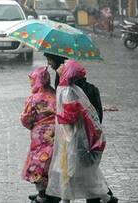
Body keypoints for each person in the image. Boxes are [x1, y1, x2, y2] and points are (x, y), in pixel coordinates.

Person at [45, 59, 117, 203]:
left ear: (67, 72)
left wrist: (54, 114)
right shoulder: (69, 89)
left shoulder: (67, 91)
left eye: (63, 66)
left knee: (70, 170)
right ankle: (103, 197)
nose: (59, 67)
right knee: (78, 171)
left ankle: (103, 197)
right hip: (71, 137)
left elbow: (69, 117)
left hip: (71, 138)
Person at [20, 67, 56, 203]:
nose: (30, 82)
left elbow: (25, 118)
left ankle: (42, 195)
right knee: (50, 163)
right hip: (55, 134)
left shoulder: (34, 98)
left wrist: (34, 126)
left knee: (36, 165)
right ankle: (51, 193)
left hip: (40, 136)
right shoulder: (54, 94)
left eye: (32, 80)